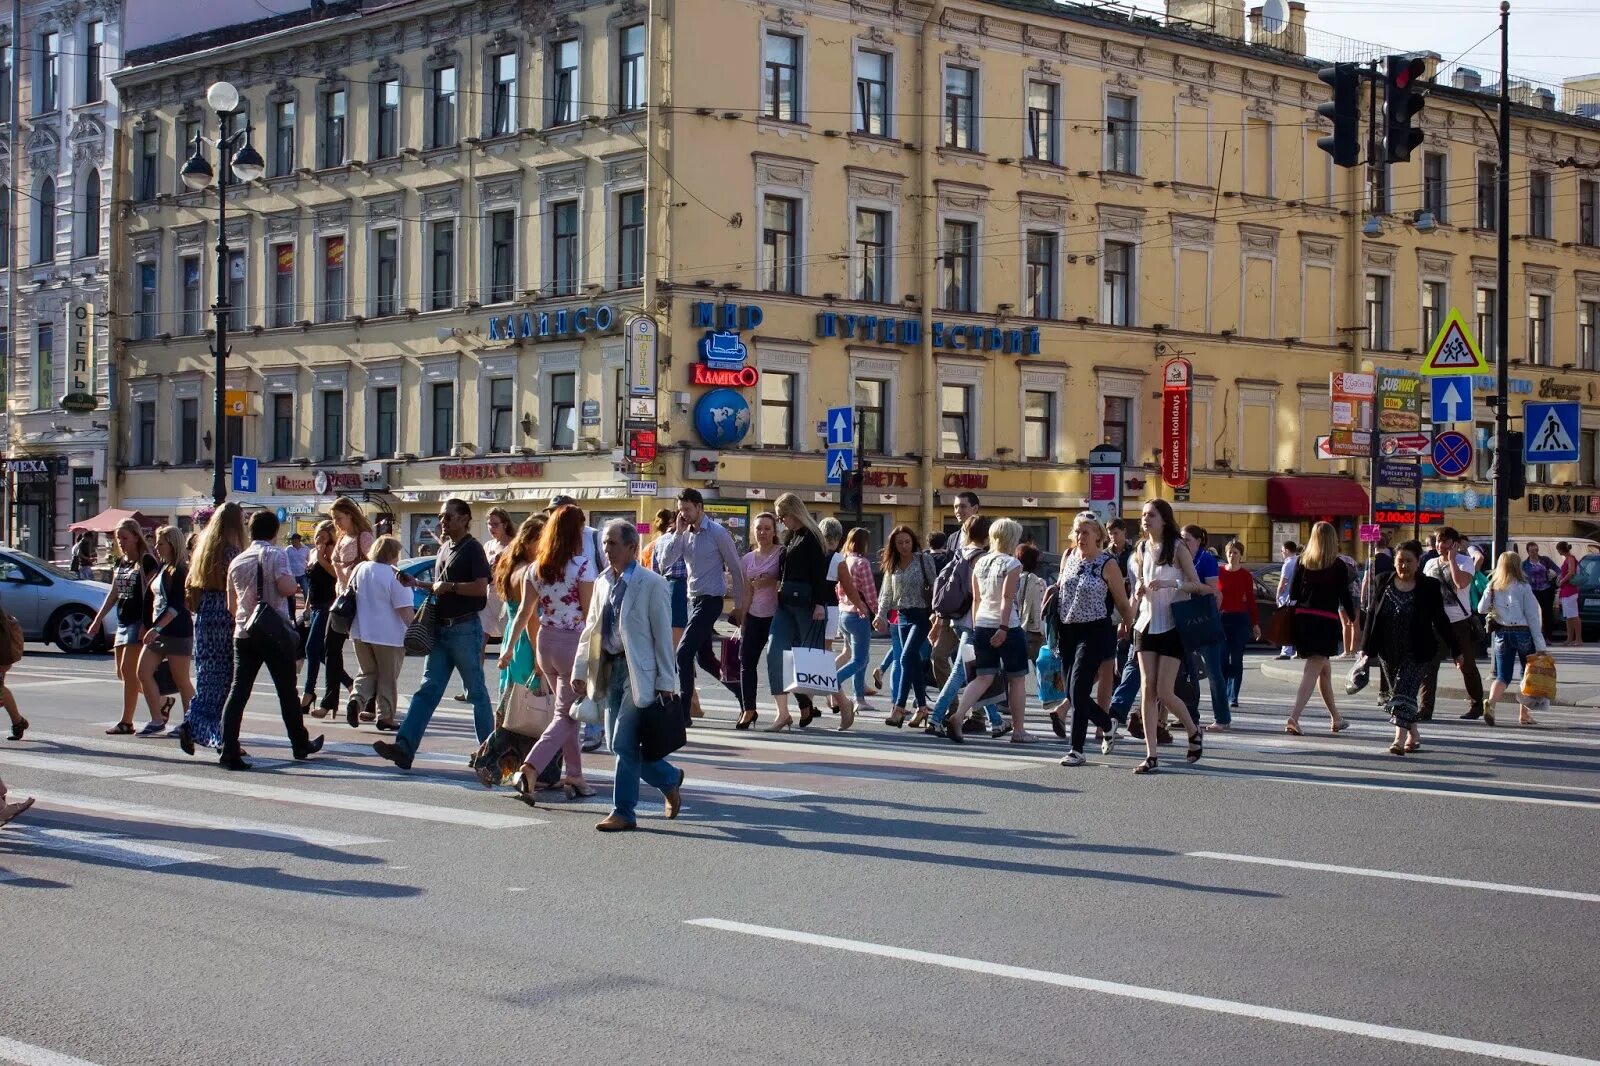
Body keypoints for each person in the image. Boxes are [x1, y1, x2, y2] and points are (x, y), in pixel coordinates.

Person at [572, 520, 683, 832]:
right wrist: (580, 670)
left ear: (633, 548)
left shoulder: (652, 583)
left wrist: (666, 682)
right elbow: (590, 630)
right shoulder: (603, 581)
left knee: (623, 743)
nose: (607, 550)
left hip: (639, 674)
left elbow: (663, 636)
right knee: (618, 744)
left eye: (614, 544)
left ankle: (623, 811)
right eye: (605, 543)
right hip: (608, 669)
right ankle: (669, 777)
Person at [373, 498, 495, 770]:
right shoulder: (444, 549)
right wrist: (415, 582)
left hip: (464, 629)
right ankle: (404, 747)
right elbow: (439, 587)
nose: (442, 522)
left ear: (465, 518)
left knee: (476, 693)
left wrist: (449, 587)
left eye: (448, 517)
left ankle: (489, 754)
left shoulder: (473, 549)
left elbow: (480, 589)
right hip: (441, 628)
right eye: (441, 517)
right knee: (427, 690)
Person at [500, 504, 599, 802]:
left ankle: (575, 775)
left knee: (566, 710)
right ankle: (530, 767)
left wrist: (507, 649)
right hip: (574, 644)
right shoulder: (582, 565)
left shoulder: (536, 567)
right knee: (567, 716)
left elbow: (523, 613)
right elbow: (589, 613)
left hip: (546, 643)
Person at [218, 510, 325, 771]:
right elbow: (286, 587)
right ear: (275, 532)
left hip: (244, 632)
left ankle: (228, 748)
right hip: (274, 631)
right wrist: (295, 585)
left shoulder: (238, 560)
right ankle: (300, 744)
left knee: (238, 691)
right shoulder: (276, 554)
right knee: (287, 691)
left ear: (250, 531)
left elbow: (231, 604)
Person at [1127, 499, 1209, 774]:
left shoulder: (1177, 547)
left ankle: (1192, 729)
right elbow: (1138, 582)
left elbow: (1196, 585)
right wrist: (1137, 592)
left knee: (1164, 691)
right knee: (1147, 689)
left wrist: (1170, 583)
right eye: (1143, 515)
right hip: (1145, 625)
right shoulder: (1140, 548)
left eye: (1151, 515)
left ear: (1164, 519)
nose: (1145, 519)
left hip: (1172, 625)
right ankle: (1151, 755)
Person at [946, 519, 1041, 745]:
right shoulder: (1012, 564)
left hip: (981, 623)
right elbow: (1007, 598)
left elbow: (977, 599)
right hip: (1007, 626)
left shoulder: (980, 562)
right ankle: (1019, 731)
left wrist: (979, 626)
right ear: (1011, 538)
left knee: (983, 677)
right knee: (1017, 679)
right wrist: (1004, 627)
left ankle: (958, 716)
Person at [1051, 512, 1135, 765]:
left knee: (1079, 688)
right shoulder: (1068, 557)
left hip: (1095, 630)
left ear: (1098, 535)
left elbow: (1121, 601)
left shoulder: (1107, 563)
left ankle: (1076, 749)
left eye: (1086, 531)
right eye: (1077, 531)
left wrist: (1128, 625)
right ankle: (1107, 722)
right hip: (1067, 630)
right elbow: (1061, 587)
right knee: (1069, 689)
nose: (1080, 536)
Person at [656, 488, 745, 727]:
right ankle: (744, 695)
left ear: (699, 507)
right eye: (680, 510)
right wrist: (678, 533)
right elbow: (664, 564)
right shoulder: (683, 533)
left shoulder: (717, 533)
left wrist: (739, 606)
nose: (683, 514)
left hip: (711, 601)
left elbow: (736, 569)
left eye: (687, 509)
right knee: (705, 659)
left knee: (683, 654)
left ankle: (683, 713)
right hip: (692, 601)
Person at [1365, 540, 1458, 756]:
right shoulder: (1383, 582)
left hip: (1418, 650)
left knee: (1404, 692)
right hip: (1388, 651)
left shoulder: (1429, 587)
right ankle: (1414, 733)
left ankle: (1398, 739)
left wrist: (1457, 650)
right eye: (1400, 561)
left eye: (1409, 561)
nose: (1404, 566)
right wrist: (1364, 648)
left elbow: (1441, 620)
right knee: (1399, 695)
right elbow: (1372, 614)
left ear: (1418, 563)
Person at [180, 503, 245, 756]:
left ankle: (192, 724)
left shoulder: (203, 550)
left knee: (207, 677)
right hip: (225, 617)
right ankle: (219, 737)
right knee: (225, 681)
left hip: (205, 617)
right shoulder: (232, 553)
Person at [89, 519, 161, 735]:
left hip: (138, 622)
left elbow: (152, 595)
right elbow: (114, 593)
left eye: (125, 538)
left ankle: (126, 721)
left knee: (130, 674)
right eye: (118, 538)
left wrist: (147, 625)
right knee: (122, 673)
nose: (120, 542)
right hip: (123, 620)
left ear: (136, 537)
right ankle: (162, 700)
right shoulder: (121, 562)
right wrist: (98, 619)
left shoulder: (146, 561)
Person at [764, 493, 829, 732]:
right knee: (774, 652)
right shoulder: (790, 536)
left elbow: (819, 574)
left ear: (794, 512)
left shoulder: (812, 538)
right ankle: (782, 713)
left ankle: (836, 701)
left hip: (808, 604)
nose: (782, 521)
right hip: (784, 603)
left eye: (783, 516)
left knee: (807, 660)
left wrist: (820, 604)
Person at [1283, 521, 1355, 736]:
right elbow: (1344, 596)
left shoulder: (1302, 562)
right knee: (1312, 669)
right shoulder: (1338, 565)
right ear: (1333, 539)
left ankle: (1336, 718)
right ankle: (1293, 717)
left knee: (1324, 671)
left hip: (1303, 620)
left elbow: (1293, 594)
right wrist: (1352, 618)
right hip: (1325, 622)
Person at [345, 535, 416, 730]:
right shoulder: (394, 574)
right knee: (387, 676)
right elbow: (404, 608)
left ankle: (356, 699)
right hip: (389, 635)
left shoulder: (360, 568)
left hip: (360, 630)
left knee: (367, 672)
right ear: (393, 554)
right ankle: (385, 716)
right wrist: (416, 632)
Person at [1423, 526, 1488, 723]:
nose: (1439, 545)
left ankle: (1476, 705)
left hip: (1458, 621)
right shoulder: (1430, 564)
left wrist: (1451, 560)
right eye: (1437, 541)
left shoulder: (1465, 561)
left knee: (1467, 665)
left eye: (1444, 541)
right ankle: (1425, 708)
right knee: (1429, 667)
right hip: (1435, 623)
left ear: (1455, 544)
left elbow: (1461, 584)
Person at [875, 525, 936, 729]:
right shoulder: (892, 564)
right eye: (899, 543)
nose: (904, 546)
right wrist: (880, 615)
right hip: (902, 615)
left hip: (922, 614)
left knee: (905, 658)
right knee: (914, 662)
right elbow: (886, 593)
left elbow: (935, 585)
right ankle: (922, 708)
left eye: (907, 542)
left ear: (913, 542)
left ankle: (899, 707)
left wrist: (937, 613)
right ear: (894, 544)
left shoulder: (923, 559)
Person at [137, 526, 195, 735]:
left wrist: (157, 627)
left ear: (172, 545)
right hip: (159, 629)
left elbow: (176, 605)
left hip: (176, 631)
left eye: (161, 543)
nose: (157, 547)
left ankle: (191, 722)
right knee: (142, 672)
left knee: (181, 680)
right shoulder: (164, 566)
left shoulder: (179, 570)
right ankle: (156, 719)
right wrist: (149, 625)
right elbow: (154, 599)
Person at [1480, 550, 1547, 727]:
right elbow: (1533, 617)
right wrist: (1540, 645)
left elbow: (1480, 608)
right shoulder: (1523, 587)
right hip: (1523, 632)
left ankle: (1491, 703)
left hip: (1502, 633)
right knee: (1527, 675)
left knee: (1502, 676)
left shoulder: (1493, 586)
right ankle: (1524, 715)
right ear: (1518, 566)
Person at [318, 497, 372, 715]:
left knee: (366, 651)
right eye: (333, 519)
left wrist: (352, 570)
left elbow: (375, 564)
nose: (336, 523)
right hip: (341, 600)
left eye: (339, 518)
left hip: (360, 600)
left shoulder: (364, 537)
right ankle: (329, 700)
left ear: (351, 515)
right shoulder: (341, 539)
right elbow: (336, 570)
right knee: (330, 647)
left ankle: (369, 701)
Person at [457, 507, 514, 705]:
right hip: (488, 597)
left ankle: (510, 691)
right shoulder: (488, 545)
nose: (491, 527)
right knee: (478, 643)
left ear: (505, 524)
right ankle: (472, 687)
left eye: (495, 524)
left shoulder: (514, 545)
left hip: (506, 597)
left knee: (509, 643)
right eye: (489, 523)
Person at [1179, 525, 1231, 731]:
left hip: (1204, 618)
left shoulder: (1206, 559)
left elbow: (1213, 591)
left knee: (1213, 670)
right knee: (1187, 671)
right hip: (1184, 617)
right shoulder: (1180, 558)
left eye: (1188, 539)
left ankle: (1222, 717)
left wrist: (1193, 586)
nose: (1184, 543)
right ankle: (1190, 714)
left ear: (1199, 540)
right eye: (1182, 539)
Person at [734, 511, 781, 729]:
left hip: (777, 616)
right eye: (758, 528)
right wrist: (743, 620)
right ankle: (749, 709)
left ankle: (802, 704)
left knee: (779, 663)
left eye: (767, 528)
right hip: (754, 615)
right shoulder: (747, 559)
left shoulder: (782, 554)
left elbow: (786, 584)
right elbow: (746, 591)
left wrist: (772, 579)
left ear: (774, 531)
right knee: (746, 661)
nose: (762, 532)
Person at [832, 527, 879, 728]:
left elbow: (837, 588)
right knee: (860, 659)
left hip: (843, 613)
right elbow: (869, 592)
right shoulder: (862, 563)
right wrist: (877, 612)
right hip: (858, 614)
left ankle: (858, 697)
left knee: (859, 657)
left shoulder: (843, 560)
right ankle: (835, 682)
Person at [1217, 540, 1261, 713]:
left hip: (1240, 620)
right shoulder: (1218, 572)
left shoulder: (1245, 575)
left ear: (1241, 555)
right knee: (1221, 658)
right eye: (1229, 552)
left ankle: (1233, 696)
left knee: (1236, 658)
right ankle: (1222, 693)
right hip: (1221, 619)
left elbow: (1251, 600)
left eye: (1235, 552)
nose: (1232, 555)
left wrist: (1255, 623)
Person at [300, 522, 337, 713]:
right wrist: (306, 606)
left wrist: (322, 557)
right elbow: (311, 583)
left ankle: (308, 692)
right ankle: (348, 683)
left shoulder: (330, 551)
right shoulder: (313, 553)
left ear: (330, 537)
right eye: (316, 536)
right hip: (314, 606)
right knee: (320, 652)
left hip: (327, 606)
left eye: (322, 537)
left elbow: (334, 574)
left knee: (311, 647)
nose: (318, 540)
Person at [643, 508, 690, 647]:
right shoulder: (687, 539)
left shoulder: (657, 542)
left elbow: (654, 571)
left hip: (664, 587)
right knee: (680, 640)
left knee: (666, 638)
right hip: (682, 588)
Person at [1523, 542, 1559, 639]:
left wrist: (1554, 575)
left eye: (1536, 550)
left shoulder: (1545, 560)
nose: (1535, 553)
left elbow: (1557, 570)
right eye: (1532, 551)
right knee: (1534, 613)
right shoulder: (1525, 564)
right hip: (1533, 591)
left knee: (1547, 613)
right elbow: (1521, 576)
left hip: (1546, 590)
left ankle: (1548, 637)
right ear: (1528, 552)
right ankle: (1535, 635)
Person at [1274, 540, 1299, 660]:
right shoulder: (1299, 561)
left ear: (1287, 551)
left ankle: (1286, 651)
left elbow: (1282, 582)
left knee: (1286, 625)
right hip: (1297, 598)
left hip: (1286, 598)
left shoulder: (1288, 564)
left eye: (1283, 550)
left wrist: (1278, 595)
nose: (1282, 552)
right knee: (1295, 625)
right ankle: (1298, 650)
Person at [1556, 541, 1583, 647]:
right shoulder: (1566, 559)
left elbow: (1571, 572)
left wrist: (1562, 581)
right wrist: (1560, 577)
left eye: (1558, 549)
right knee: (1568, 616)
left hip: (1570, 590)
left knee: (1574, 615)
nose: (1557, 551)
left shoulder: (1571, 558)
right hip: (1565, 591)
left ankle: (1579, 639)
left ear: (1561, 550)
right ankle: (1570, 638)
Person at [285, 532, 310, 617]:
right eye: (291, 540)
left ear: (298, 540)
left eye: (293, 540)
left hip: (303, 574)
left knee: (307, 593)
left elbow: (308, 560)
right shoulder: (288, 549)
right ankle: (292, 615)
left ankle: (307, 613)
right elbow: (284, 561)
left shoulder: (306, 549)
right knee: (291, 595)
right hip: (292, 575)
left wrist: (308, 567)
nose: (292, 542)